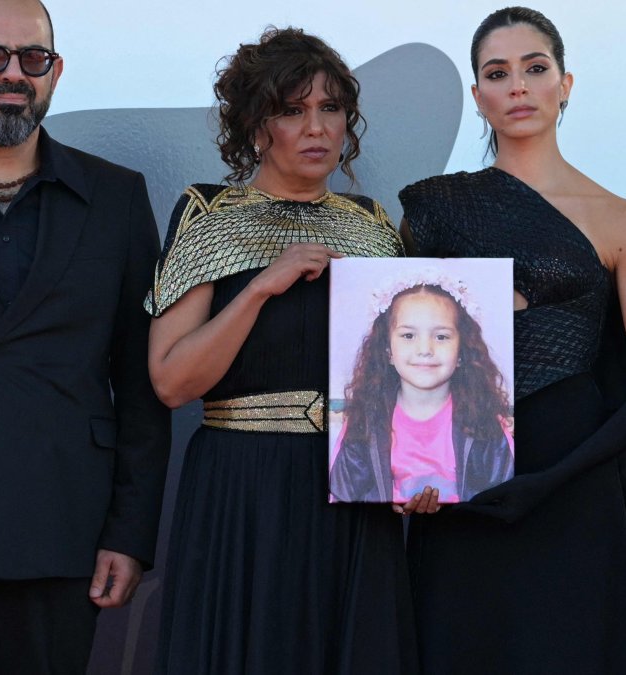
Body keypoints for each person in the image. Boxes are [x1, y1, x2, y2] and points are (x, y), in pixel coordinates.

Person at [398, 6, 626, 673]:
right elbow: (404, 351)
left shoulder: (624, 220)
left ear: (566, 83)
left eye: (535, 68)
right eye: (498, 74)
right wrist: (408, 468)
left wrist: (555, 477)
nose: (518, 87)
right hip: (460, 484)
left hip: (577, 482)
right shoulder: (432, 206)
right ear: (478, 97)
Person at [0, 0, 171, 672]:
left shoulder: (116, 197)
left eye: (32, 58)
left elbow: (140, 381)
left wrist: (130, 536)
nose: (13, 73)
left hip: (63, 526)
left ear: (55, 71)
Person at [146, 27, 416, 675]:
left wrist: (419, 467)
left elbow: (407, 379)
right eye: (292, 110)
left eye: (330, 108)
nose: (316, 126)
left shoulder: (375, 227)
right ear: (255, 125)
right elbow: (171, 381)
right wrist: (260, 288)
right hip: (243, 489)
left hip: (355, 495)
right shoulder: (209, 215)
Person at [330, 269, 514, 503]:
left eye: (441, 337)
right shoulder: (364, 421)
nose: (425, 349)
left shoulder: (487, 424)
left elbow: (506, 499)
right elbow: (342, 496)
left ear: (461, 352)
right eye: (408, 336)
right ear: (387, 351)